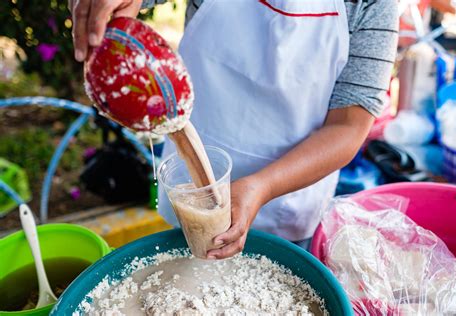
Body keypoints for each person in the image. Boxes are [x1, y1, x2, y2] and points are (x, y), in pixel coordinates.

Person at [70, 0, 398, 259]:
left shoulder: (370, 4)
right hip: (194, 180)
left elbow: (349, 126)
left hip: (290, 192)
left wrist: (260, 187)